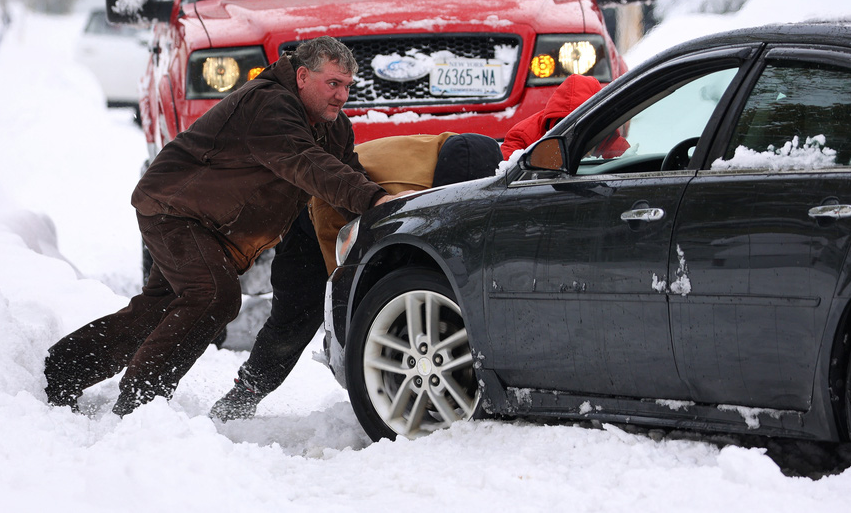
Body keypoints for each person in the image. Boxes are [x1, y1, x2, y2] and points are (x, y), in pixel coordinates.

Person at [44, 36, 400, 417]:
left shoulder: (333, 127)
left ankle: (63, 370)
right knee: (214, 295)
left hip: (214, 227)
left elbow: (345, 174)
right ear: (301, 76)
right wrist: (370, 197)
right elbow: (305, 162)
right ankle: (140, 403)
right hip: (174, 209)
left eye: (347, 86)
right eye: (332, 84)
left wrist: (385, 211)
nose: (342, 96)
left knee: (159, 310)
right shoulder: (268, 104)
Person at [209, 132, 502, 422]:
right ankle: (246, 392)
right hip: (322, 211)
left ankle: (247, 391)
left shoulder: (446, 176)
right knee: (295, 317)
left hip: (450, 171)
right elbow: (342, 289)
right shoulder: (329, 208)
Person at [500, 73, 628, 160]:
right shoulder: (522, 139)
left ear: (598, 126)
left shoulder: (615, 149)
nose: (576, 139)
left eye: (584, 130)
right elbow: (504, 183)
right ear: (555, 125)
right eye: (570, 132)